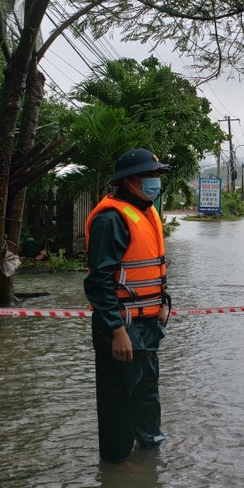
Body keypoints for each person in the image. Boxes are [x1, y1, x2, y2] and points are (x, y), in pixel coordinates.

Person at [84, 148, 171, 463]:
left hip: (148, 325)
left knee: (147, 392)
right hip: (122, 326)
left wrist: (163, 303)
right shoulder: (111, 218)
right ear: (131, 181)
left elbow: (152, 266)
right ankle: (116, 465)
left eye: (157, 175)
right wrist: (116, 329)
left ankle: (150, 451)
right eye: (150, 175)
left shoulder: (147, 212)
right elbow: (99, 281)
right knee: (117, 400)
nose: (155, 181)